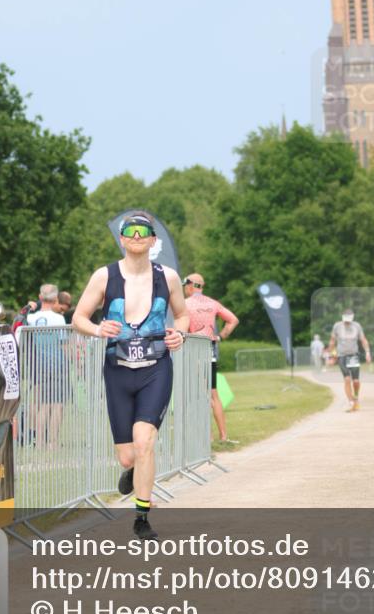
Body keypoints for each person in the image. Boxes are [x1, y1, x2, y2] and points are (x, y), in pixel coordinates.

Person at [72, 212, 188, 540]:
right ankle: (134, 470)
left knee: (145, 442)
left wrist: (180, 334)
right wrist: (97, 329)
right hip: (118, 371)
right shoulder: (104, 276)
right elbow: (78, 317)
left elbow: (182, 316)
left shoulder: (169, 277)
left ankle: (141, 516)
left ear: (153, 240)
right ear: (122, 239)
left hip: (156, 369)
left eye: (144, 231)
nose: (137, 236)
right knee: (127, 455)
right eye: (130, 231)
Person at [183, 273, 239, 445]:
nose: (184, 289)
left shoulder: (185, 304)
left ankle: (207, 437)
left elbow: (183, 330)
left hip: (194, 350)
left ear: (191, 285)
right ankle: (223, 436)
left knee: (198, 395)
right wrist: (220, 336)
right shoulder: (213, 303)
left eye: (185, 285)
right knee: (213, 393)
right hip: (211, 349)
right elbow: (233, 320)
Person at [26, 284, 68, 447]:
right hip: (57, 366)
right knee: (57, 405)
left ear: (40, 297)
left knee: (42, 405)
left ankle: (40, 441)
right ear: (56, 299)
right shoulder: (59, 319)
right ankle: (53, 442)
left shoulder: (31, 319)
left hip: (39, 366)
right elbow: (64, 344)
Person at [327, 308, 371, 412]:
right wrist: (331, 356)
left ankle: (355, 398)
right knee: (347, 379)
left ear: (352, 318)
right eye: (345, 319)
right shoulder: (337, 326)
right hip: (341, 356)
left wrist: (368, 353)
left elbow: (363, 340)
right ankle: (351, 402)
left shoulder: (357, 326)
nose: (347, 322)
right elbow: (332, 341)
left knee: (356, 381)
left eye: (349, 320)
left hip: (353, 356)